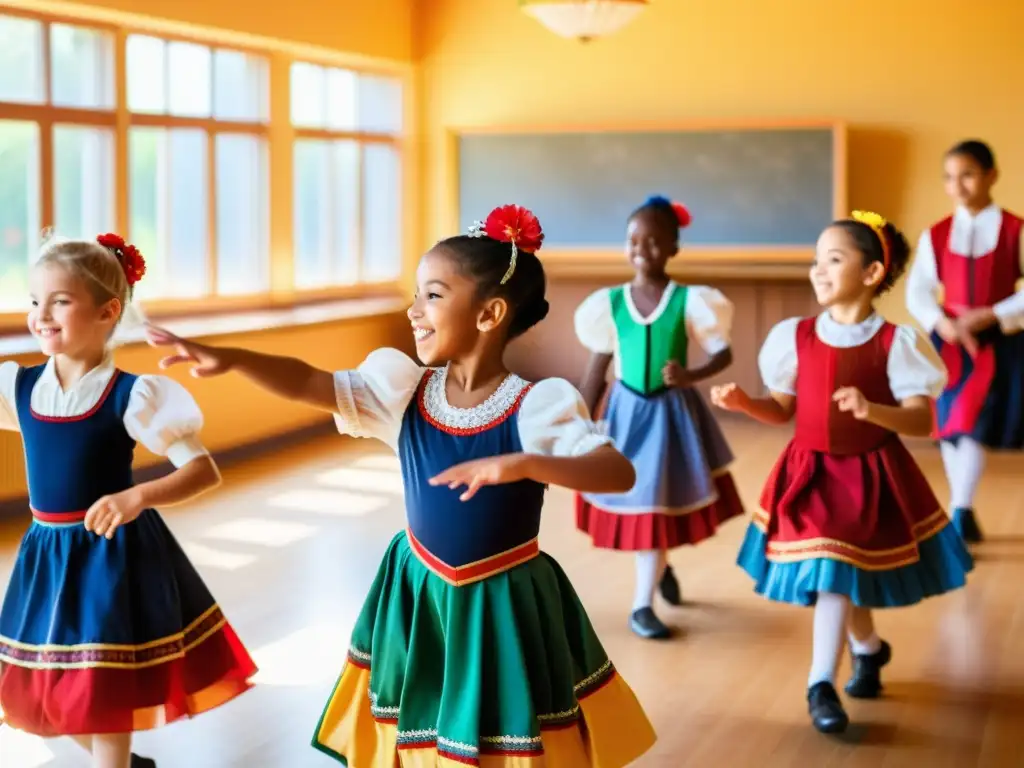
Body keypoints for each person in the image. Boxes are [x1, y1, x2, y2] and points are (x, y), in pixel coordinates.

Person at [145, 204, 658, 767]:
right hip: (417, 590)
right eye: (416, 294)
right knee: (420, 721)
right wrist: (236, 357)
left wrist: (525, 464)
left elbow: (616, 471)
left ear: (489, 313)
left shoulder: (538, 406)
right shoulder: (403, 392)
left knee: (505, 723)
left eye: (433, 295)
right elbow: (312, 382)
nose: (414, 311)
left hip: (503, 598)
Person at [0, 233, 257, 768]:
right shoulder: (19, 388)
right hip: (46, 556)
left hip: (108, 556)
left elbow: (201, 471)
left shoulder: (132, 394)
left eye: (60, 301)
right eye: (34, 301)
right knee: (32, 694)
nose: (41, 315)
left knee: (101, 687)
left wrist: (136, 496)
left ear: (107, 311)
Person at [712, 211, 973, 734]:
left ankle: (828, 677)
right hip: (808, 473)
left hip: (869, 476)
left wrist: (872, 410)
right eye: (816, 260)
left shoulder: (897, 343)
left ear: (873, 272)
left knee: (838, 574)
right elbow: (783, 409)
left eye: (833, 259)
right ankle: (857, 658)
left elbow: (922, 420)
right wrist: (746, 403)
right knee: (835, 573)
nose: (818, 270)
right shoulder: (796, 336)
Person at [573, 195, 744, 640]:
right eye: (634, 240)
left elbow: (722, 354)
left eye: (654, 241)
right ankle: (651, 586)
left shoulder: (691, 301)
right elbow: (596, 369)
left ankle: (644, 599)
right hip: (626, 415)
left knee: (660, 499)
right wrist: (578, 423)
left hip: (671, 418)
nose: (642, 249)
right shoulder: (608, 304)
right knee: (644, 500)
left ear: (673, 248)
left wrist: (691, 375)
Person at [905, 139, 1024, 543]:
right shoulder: (936, 234)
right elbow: (918, 289)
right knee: (951, 426)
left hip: (998, 343)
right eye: (950, 178)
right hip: (950, 342)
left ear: (992, 175)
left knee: (974, 423)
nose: (959, 186)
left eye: (968, 175)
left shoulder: (1015, 230)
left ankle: (959, 509)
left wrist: (992, 313)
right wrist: (942, 322)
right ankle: (962, 508)